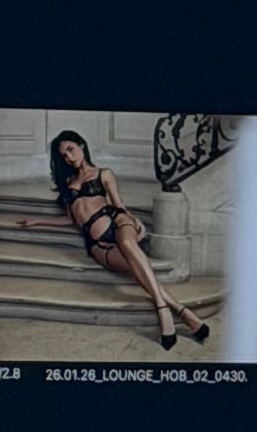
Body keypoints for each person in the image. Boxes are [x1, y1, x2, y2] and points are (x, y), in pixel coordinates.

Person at [26, 130, 205, 353]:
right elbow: (71, 220)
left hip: (117, 221)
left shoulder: (104, 173)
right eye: (63, 155)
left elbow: (119, 205)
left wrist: (134, 221)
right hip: (98, 244)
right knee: (137, 268)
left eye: (70, 149)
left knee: (129, 245)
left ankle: (162, 310)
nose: (69, 157)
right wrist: (37, 221)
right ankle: (184, 313)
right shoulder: (68, 183)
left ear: (82, 145)